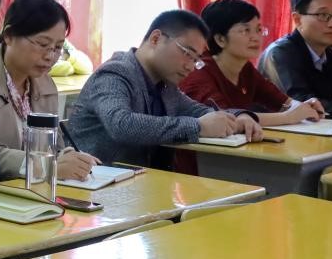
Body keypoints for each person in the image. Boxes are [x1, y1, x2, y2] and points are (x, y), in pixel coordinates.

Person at [68, 10, 263, 169]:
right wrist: (198, 127)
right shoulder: (115, 73)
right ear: (156, 38)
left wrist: (239, 117)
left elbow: (199, 111)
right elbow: (121, 124)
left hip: (144, 188)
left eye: (196, 60)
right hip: (97, 189)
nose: (190, 66)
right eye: (187, 53)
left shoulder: (165, 85)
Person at [0, 0, 99, 181]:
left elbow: (55, 147)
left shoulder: (45, 84)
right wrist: (42, 166)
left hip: (36, 191)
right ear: (9, 36)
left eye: (57, 48)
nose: (50, 56)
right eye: (43, 44)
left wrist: (69, 157)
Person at [181, 0, 327, 126]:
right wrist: (288, 117)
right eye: (245, 30)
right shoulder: (197, 71)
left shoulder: (245, 68)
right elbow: (226, 118)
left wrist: (302, 106)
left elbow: (280, 100)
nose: (256, 37)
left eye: (258, 30)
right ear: (220, 39)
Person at [14, 0, 93, 76]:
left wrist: (66, 56)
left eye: (58, 2)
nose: (56, 8)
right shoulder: (18, 27)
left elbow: (86, 66)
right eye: (50, 2)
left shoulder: (54, 31)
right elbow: (32, 65)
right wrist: (67, 65)